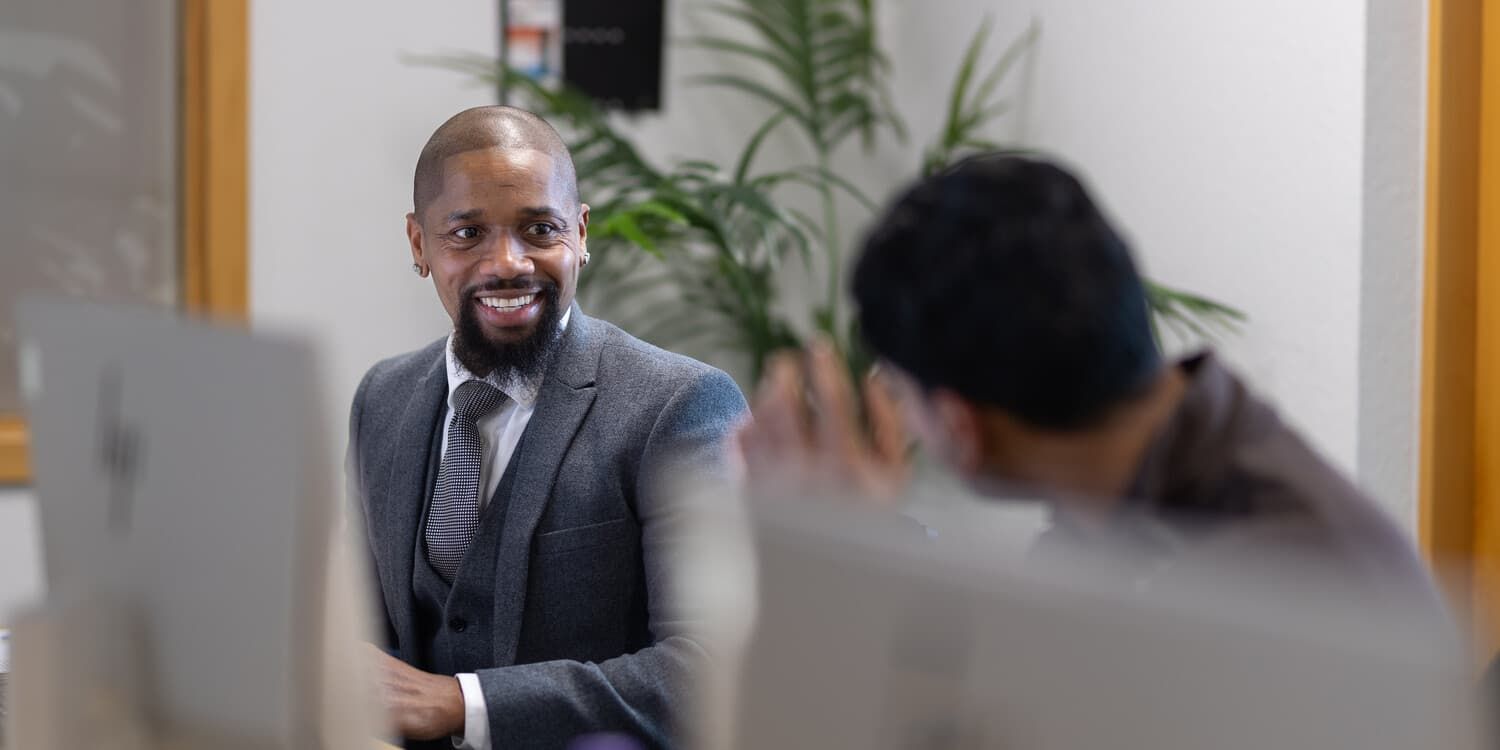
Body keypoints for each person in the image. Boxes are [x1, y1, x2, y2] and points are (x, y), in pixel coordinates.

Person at [737, 152, 1446, 614]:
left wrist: (834, 577)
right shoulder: (1123, 501)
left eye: (901, 394)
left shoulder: (1256, 587)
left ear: (960, 427)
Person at [345, 105, 747, 750]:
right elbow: (362, 622)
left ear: (580, 234)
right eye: (467, 233)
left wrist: (464, 703)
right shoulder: (382, 399)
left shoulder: (681, 406)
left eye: (539, 229)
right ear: (419, 244)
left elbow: (711, 669)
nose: (508, 262)